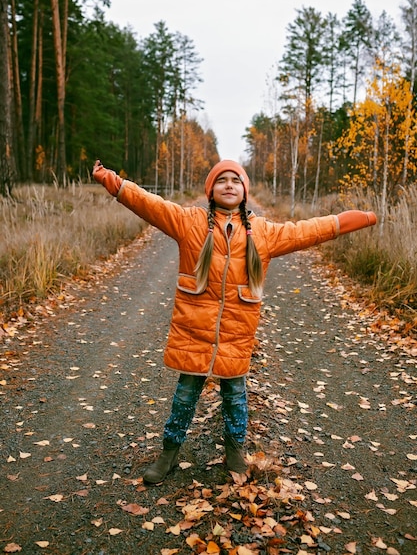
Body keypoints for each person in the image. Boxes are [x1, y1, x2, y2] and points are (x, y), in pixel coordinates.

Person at [93, 159, 376, 484]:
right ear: (211, 190)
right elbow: (148, 204)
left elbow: (308, 231)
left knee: (235, 396)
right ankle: (169, 453)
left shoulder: (264, 234)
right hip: (193, 332)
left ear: (244, 191)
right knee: (185, 395)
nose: (229, 184)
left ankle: (234, 452)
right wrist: (112, 182)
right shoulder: (189, 223)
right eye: (221, 180)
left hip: (236, 336)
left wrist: (355, 220)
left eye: (235, 180)